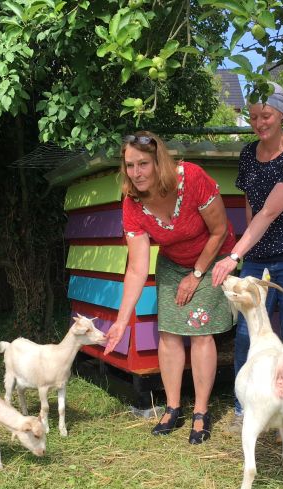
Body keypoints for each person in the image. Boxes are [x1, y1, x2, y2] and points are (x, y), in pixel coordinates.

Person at [104, 131, 236, 444]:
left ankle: (201, 412)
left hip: (211, 257)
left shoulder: (191, 178)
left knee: (201, 331)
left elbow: (219, 230)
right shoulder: (133, 205)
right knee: (169, 333)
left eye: (143, 164)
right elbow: (137, 267)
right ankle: (173, 406)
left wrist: (197, 274)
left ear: (158, 161)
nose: (136, 173)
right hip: (173, 263)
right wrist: (121, 321)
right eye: (130, 166)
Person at [211, 82, 283, 430]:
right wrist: (250, 252)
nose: (259, 123)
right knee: (249, 334)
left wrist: (234, 254)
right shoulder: (249, 153)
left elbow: (268, 213)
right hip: (261, 256)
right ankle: (243, 410)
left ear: (281, 114)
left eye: (266, 115)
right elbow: (251, 205)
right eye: (253, 117)